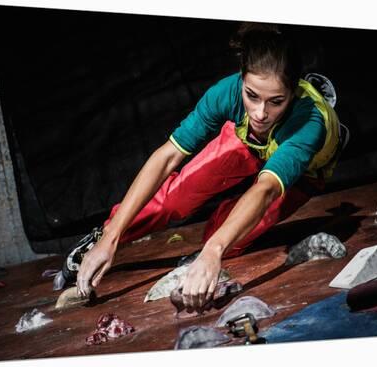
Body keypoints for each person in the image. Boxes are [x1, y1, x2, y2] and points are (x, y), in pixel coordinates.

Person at [54, 22, 343, 312]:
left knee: (227, 237)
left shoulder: (309, 123)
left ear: (293, 93)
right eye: (252, 95)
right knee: (176, 196)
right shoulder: (226, 93)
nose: (260, 112)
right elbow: (167, 156)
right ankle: (101, 238)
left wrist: (213, 251)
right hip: (249, 141)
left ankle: (334, 128)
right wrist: (111, 236)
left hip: (299, 167)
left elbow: (267, 189)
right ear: (241, 80)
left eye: (276, 101)